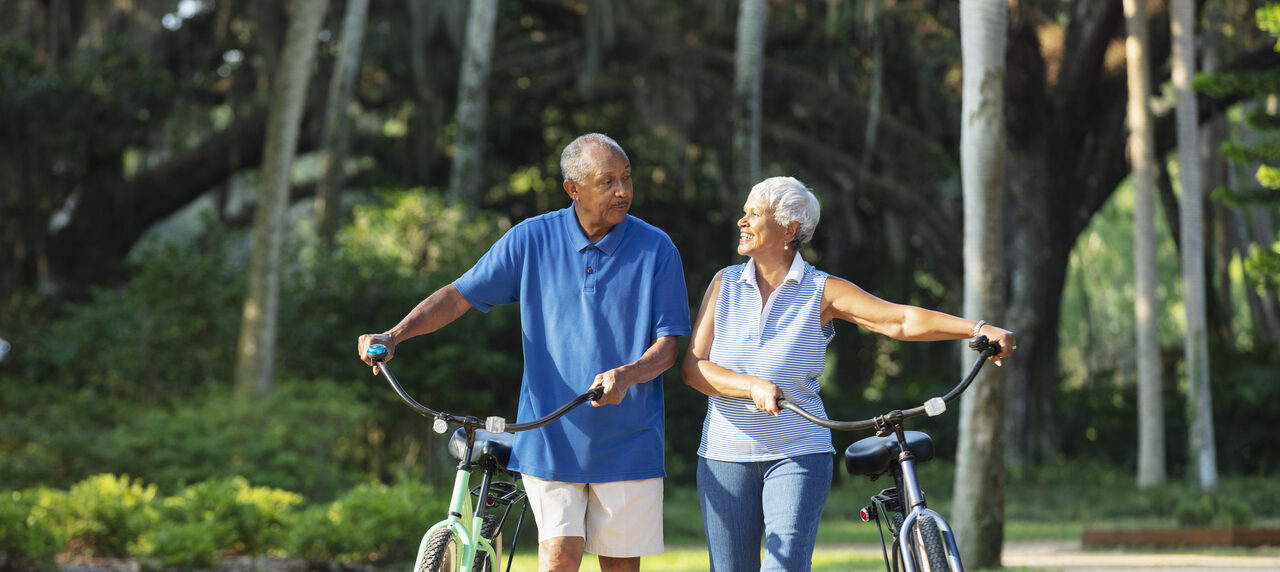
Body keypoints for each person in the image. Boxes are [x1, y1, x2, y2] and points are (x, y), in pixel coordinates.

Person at [358, 133, 691, 572]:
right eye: (608, 181)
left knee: (620, 567)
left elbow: (669, 346)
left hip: (629, 438)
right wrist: (396, 334)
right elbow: (460, 294)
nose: (623, 191)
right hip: (548, 435)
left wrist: (628, 374)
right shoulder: (531, 239)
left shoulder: (656, 248)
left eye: (626, 178)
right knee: (558, 556)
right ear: (573, 189)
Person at [681, 176, 1016, 571]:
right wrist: (751, 385)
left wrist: (978, 328)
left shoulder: (820, 290)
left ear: (789, 228)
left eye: (754, 213)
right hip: (723, 455)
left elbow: (899, 321)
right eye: (744, 212)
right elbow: (693, 368)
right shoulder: (725, 284)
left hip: (797, 454)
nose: (742, 221)